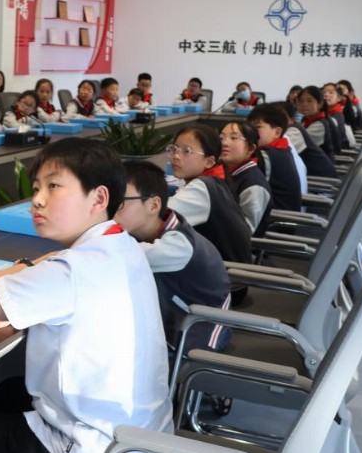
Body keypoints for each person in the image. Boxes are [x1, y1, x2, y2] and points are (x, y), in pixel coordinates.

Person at [0, 138, 172, 453]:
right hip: (145, 443)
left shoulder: (71, 271)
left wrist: (25, 269)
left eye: (54, 186)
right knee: (10, 395)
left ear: (98, 198)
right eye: (36, 189)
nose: (37, 200)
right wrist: (22, 290)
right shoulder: (122, 245)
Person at [114, 160, 231, 354]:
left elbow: (116, 255)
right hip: (169, 317)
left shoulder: (178, 246)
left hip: (200, 328)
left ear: (153, 205)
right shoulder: (152, 229)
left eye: (121, 202)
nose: (111, 209)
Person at [166, 124, 253, 268]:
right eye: (175, 149)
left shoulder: (201, 188)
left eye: (186, 151)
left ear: (209, 162)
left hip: (225, 274)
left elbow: (157, 218)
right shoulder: (214, 181)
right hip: (221, 268)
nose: (176, 156)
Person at [247, 104, 304, 211]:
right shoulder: (282, 149)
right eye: (249, 127)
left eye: (257, 127)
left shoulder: (266, 156)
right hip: (277, 213)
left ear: (277, 132)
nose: (251, 131)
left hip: (276, 217)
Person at [219, 121, 272, 236]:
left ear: (250, 149)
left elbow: (244, 232)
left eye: (234, 138)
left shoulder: (254, 185)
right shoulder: (228, 172)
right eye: (221, 138)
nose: (224, 143)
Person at [278, 100, 337, 179]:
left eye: (281, 118)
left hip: (321, 180)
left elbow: (278, 153)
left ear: (292, 119)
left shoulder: (294, 132)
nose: (276, 121)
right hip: (310, 176)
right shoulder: (301, 123)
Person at [296, 85, 335, 160]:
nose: (304, 105)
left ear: (320, 104)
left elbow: (299, 143)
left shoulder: (319, 125)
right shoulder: (305, 120)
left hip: (319, 165)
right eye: (301, 101)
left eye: (309, 101)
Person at [322, 82, 353, 150]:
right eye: (323, 92)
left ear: (339, 98)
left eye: (331, 92)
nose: (326, 95)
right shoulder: (328, 113)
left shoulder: (336, 117)